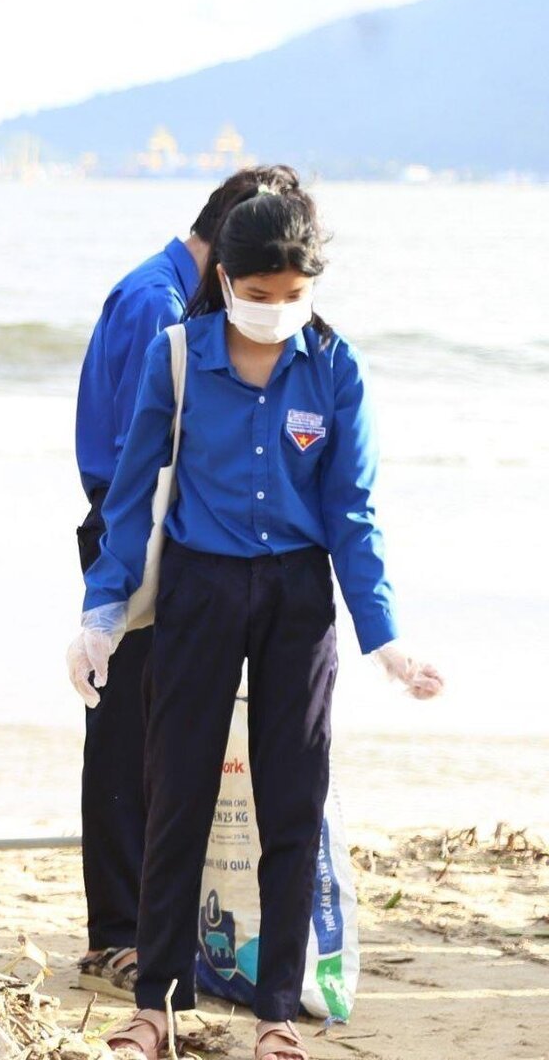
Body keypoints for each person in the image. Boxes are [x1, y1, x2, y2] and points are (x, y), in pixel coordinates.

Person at [71, 187, 445, 1060]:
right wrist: (101, 614)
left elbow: (354, 513)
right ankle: (156, 1003)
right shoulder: (177, 355)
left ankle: (278, 1007)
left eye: (294, 293)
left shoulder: (335, 367)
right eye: (260, 292)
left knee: (291, 797)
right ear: (228, 279)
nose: (277, 310)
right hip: (199, 591)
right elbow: (131, 500)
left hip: (296, 597)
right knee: (178, 794)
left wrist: (385, 637)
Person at [69, 165, 301, 996]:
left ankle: (132, 921)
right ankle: (120, 927)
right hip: (139, 527)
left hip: (164, 527)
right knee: (131, 726)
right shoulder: (158, 307)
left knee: (147, 719)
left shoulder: (172, 291)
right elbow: (146, 452)